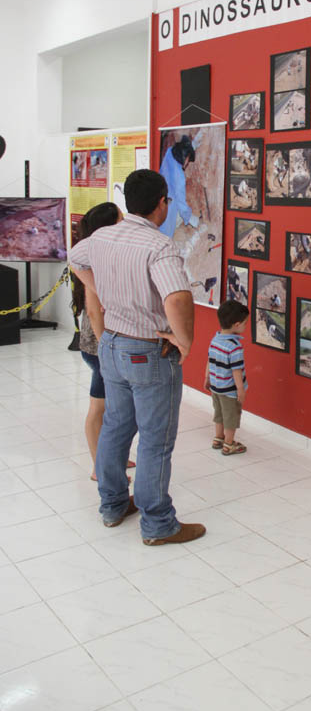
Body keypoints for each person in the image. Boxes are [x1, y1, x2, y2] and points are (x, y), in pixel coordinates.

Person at [69, 169, 206, 546]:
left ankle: (113, 506)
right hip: (147, 350)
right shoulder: (158, 246)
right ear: (162, 202)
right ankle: (159, 523)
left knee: (115, 427)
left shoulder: (103, 236)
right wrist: (186, 342)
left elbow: (74, 256)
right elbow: (177, 298)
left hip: (110, 343)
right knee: (155, 439)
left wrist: (98, 287)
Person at [71, 202, 135, 482]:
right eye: (121, 219)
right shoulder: (93, 261)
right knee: (99, 408)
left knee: (113, 407)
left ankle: (113, 458)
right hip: (100, 348)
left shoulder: (100, 254)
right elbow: (95, 311)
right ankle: (100, 466)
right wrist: (105, 348)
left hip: (103, 345)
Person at [204, 299, 249, 456]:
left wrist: (207, 378)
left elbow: (210, 360)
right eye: (244, 323)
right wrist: (240, 390)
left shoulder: (215, 339)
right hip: (229, 390)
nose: (245, 326)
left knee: (219, 413)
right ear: (236, 325)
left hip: (216, 386)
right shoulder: (235, 347)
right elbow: (236, 372)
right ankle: (229, 444)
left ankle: (218, 438)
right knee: (231, 417)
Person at [159, 133, 201, 238]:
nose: (187, 163)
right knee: (166, 233)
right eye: (188, 159)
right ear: (185, 157)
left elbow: (179, 148)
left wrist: (192, 146)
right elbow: (182, 204)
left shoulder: (169, 152)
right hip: (169, 207)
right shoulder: (180, 177)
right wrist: (191, 219)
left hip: (160, 196)